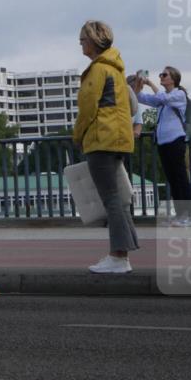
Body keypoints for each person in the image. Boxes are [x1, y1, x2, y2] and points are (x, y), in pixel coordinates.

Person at [72, 21, 138, 273]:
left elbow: (88, 109)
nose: (80, 43)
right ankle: (123, 253)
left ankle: (118, 257)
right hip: (120, 139)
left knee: (110, 199)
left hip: (101, 139)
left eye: (82, 39)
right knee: (119, 199)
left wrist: (77, 135)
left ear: (92, 40)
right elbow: (132, 106)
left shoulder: (98, 70)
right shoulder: (117, 69)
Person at [133, 66, 191, 227]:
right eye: (161, 74)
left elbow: (163, 98)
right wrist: (139, 85)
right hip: (163, 142)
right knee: (172, 179)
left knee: (181, 178)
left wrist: (151, 83)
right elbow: (140, 98)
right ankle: (180, 215)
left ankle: (189, 216)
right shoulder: (162, 97)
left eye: (164, 75)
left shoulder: (179, 94)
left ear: (173, 79)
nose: (161, 76)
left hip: (176, 140)